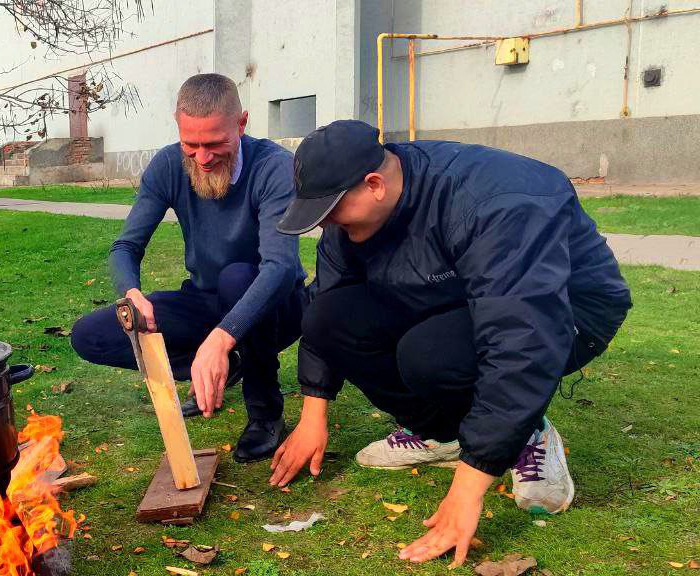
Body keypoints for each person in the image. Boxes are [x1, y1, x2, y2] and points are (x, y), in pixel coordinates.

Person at [269, 120, 632, 566]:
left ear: (375, 184)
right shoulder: (352, 221)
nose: (326, 225)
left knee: (430, 356)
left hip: (570, 311)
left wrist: (468, 487)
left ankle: (527, 434)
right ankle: (444, 434)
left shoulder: (494, 202)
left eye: (331, 211)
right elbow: (329, 299)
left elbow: (523, 338)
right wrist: (313, 411)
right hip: (456, 295)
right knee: (328, 317)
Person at [69, 73, 307, 463]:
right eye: (190, 144)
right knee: (90, 335)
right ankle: (226, 365)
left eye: (214, 143)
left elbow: (280, 267)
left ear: (242, 124)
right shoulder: (167, 164)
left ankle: (265, 415)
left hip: (276, 303)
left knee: (238, 277)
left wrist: (222, 336)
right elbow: (126, 245)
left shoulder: (275, 167)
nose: (202, 157)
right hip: (205, 299)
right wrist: (132, 295)